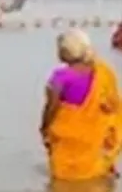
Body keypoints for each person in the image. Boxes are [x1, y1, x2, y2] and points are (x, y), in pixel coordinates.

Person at [41, 29, 121, 181]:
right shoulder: (101, 72)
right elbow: (111, 105)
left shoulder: (61, 77)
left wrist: (44, 126)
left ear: (65, 51)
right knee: (96, 177)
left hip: (68, 140)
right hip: (93, 139)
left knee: (63, 182)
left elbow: (52, 107)